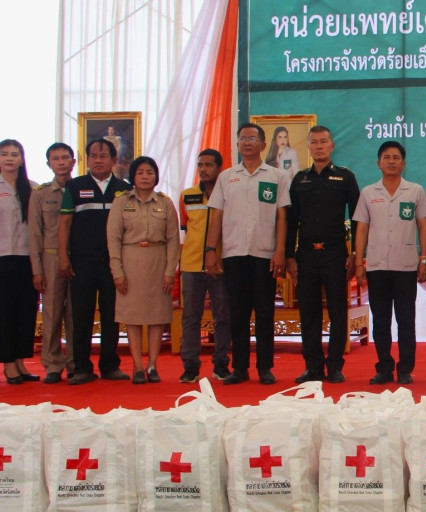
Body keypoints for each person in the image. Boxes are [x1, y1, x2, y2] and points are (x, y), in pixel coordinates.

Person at [204, 123, 291, 386]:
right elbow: (216, 215)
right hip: (234, 254)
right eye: (243, 138)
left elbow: (282, 215)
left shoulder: (277, 176)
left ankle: (265, 367)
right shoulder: (227, 177)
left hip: (264, 254)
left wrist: (280, 251)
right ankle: (239, 368)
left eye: (252, 139)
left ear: (263, 145)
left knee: (265, 313)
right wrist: (210, 250)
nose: (247, 143)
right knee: (237, 313)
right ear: (237, 144)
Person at [285, 125, 361, 384]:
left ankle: (335, 366)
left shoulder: (345, 177)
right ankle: (313, 367)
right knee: (309, 312)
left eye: (323, 141)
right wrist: (289, 255)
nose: (318, 146)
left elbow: (358, 217)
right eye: (314, 142)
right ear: (308, 146)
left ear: (332, 145)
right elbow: (291, 221)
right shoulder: (300, 179)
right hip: (306, 254)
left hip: (335, 253)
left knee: (338, 311)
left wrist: (355, 253)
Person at [353, 141, 426, 385]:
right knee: (381, 321)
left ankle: (405, 368)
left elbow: (423, 226)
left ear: (403, 163)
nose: (391, 161)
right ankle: (384, 368)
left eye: (396, 157)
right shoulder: (368, 193)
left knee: (406, 320)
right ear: (378, 163)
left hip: (406, 266)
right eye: (386, 157)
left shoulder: (415, 191)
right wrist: (359, 263)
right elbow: (362, 228)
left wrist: (424, 258)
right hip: (377, 266)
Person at [58, 138, 131, 385]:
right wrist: (63, 256)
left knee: (112, 314)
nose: (98, 160)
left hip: (113, 263)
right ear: (87, 159)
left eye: (103, 156)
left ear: (114, 160)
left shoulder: (124, 188)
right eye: (93, 156)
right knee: (81, 315)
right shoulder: (75, 186)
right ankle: (82, 367)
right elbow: (65, 223)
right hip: (82, 261)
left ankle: (110, 365)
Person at [107, 156, 180, 383]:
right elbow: (113, 239)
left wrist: (170, 271)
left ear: (156, 176)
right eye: (140, 172)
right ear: (133, 176)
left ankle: (153, 366)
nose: (145, 176)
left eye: (149, 172)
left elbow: (173, 240)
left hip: (158, 262)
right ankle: (138, 367)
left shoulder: (165, 203)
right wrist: (117, 271)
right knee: (133, 317)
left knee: (158, 316)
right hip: (130, 261)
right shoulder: (121, 202)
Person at [177, 148, 231, 383]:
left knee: (223, 316)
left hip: (220, 265)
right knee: (190, 317)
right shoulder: (187, 196)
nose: (203, 169)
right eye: (200, 165)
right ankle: (190, 366)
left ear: (219, 168)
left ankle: (221, 365)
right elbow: (185, 228)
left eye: (208, 165)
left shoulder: (228, 194)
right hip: (191, 264)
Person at [29, 142, 76, 384]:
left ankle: (76, 362)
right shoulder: (40, 194)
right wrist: (37, 270)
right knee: (52, 313)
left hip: (77, 257)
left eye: (65, 158)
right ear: (49, 164)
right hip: (50, 258)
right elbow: (34, 234)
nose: (61, 162)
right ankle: (53, 364)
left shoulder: (81, 189)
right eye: (55, 159)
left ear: (73, 162)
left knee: (76, 313)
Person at [0, 139, 39, 384]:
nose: (9, 158)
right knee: (5, 311)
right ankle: (8, 363)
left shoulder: (32, 188)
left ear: (22, 159)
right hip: (2, 258)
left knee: (26, 310)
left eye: (14, 154)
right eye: (4, 154)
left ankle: (21, 360)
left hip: (27, 258)